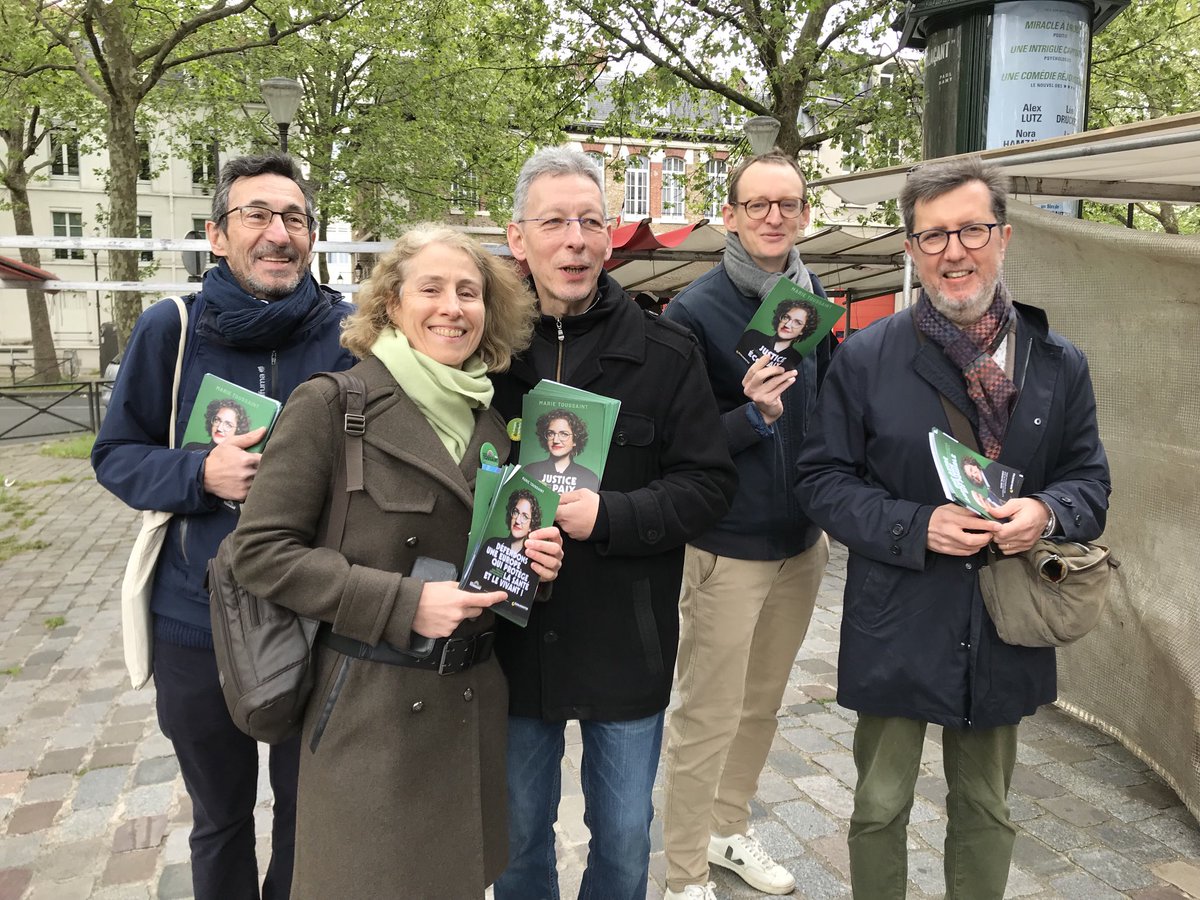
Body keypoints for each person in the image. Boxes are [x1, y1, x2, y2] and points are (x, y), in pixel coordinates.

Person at [794, 157, 1111, 900]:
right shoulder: (867, 358)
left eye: (970, 229)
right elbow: (821, 481)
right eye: (932, 236)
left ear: (1003, 237)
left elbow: (1089, 484)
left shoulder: (1059, 364)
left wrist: (1047, 512)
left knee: (986, 807)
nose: (953, 251)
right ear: (910, 250)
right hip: (896, 611)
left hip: (1004, 616)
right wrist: (915, 524)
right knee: (877, 807)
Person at [230, 225, 564, 898]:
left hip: (468, 712)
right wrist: (404, 604)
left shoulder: (494, 425)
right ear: (390, 304)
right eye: (431, 288)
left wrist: (536, 566)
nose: (452, 307)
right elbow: (258, 554)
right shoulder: (332, 404)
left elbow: (489, 570)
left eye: (468, 292)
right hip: (370, 716)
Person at [92, 152, 355, 900]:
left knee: (312, 821)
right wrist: (196, 474)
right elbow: (115, 455)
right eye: (257, 216)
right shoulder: (169, 329)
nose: (279, 234)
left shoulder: (350, 334)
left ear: (312, 237)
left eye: (295, 219)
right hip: (195, 623)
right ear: (217, 235)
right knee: (221, 822)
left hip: (317, 620)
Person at [489, 146, 738, 900]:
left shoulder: (666, 353)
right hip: (510, 643)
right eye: (555, 222)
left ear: (610, 234)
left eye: (591, 221)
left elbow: (709, 484)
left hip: (626, 643)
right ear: (518, 237)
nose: (575, 240)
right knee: (518, 842)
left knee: (626, 844)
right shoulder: (483, 354)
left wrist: (614, 515)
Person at [659, 150, 836, 900]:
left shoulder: (813, 296)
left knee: (762, 704)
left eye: (787, 205)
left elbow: (828, 408)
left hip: (802, 540)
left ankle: (728, 830)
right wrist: (752, 415)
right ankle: (683, 872)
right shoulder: (695, 310)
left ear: (803, 214)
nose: (773, 217)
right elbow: (676, 440)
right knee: (706, 714)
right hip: (727, 545)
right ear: (728, 215)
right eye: (757, 205)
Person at [465, 488, 542, 593]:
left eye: (525, 516)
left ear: (531, 526)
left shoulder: (533, 561)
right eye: (516, 512)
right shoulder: (491, 544)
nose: (518, 520)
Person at [522, 408, 600, 492]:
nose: (555, 440)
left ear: (575, 440)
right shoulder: (529, 471)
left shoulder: (589, 478)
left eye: (564, 434)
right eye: (550, 433)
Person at [735, 297, 820, 371]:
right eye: (786, 317)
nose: (787, 324)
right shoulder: (752, 336)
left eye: (797, 322)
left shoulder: (796, 358)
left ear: (803, 330)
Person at [183, 399, 250, 451]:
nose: (219, 428)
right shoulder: (191, 448)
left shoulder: (237, 463)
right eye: (217, 420)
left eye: (228, 425)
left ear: (237, 431)